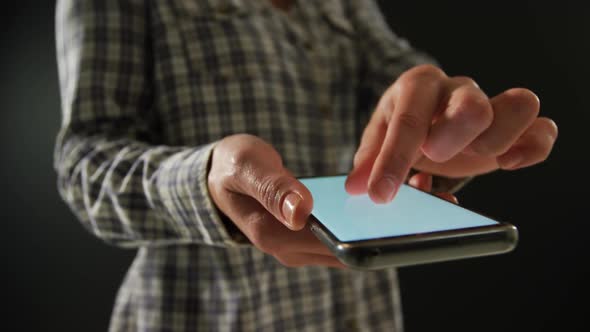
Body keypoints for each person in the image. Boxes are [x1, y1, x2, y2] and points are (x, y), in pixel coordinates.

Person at [54, 0, 557, 331]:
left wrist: (439, 126)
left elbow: (395, 77)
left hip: (358, 315)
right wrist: (205, 181)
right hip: (202, 315)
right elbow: (85, 161)